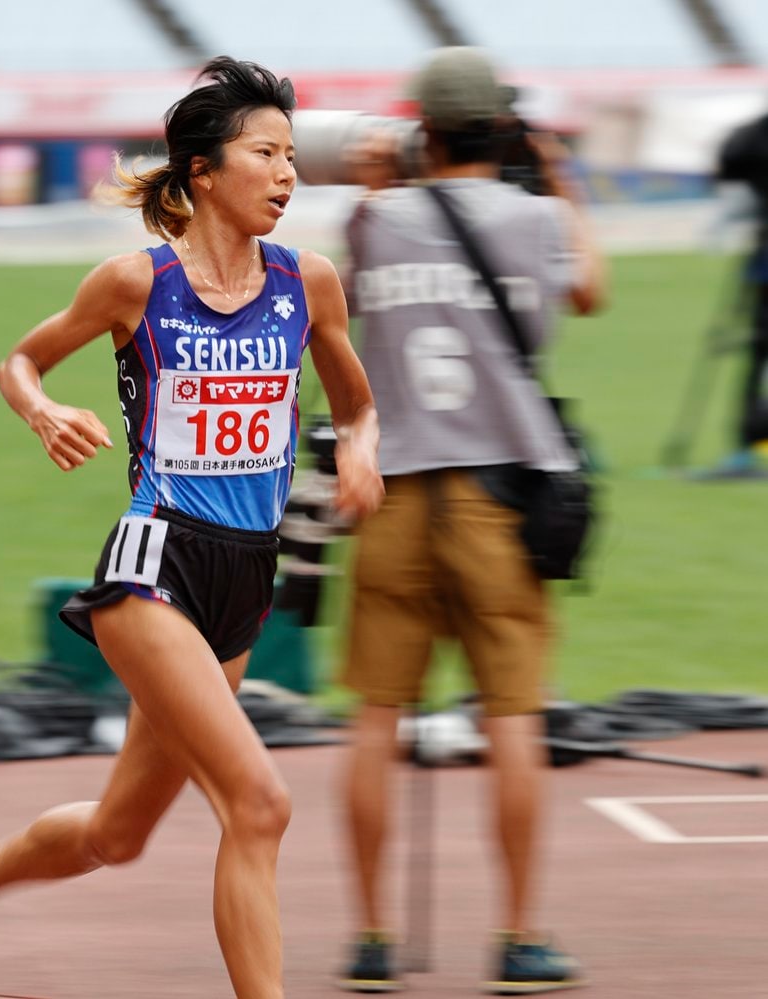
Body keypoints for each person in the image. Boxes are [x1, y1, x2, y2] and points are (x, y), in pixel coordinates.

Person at [0, 57, 384, 999]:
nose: (287, 175)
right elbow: (20, 361)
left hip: (248, 574)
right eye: (265, 154)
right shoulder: (135, 282)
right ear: (203, 170)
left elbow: (358, 406)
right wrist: (43, 412)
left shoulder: (308, 282)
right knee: (260, 802)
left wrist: (360, 448)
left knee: (118, 834)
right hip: (155, 560)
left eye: (292, 157)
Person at [333, 47, 605, 994]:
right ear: (502, 128)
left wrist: (379, 186)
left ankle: (370, 937)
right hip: (502, 500)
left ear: (423, 132)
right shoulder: (535, 219)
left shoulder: (375, 220)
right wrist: (560, 176)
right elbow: (592, 289)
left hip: (397, 494)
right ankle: (520, 937)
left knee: (376, 717)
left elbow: (346, 290)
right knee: (514, 719)